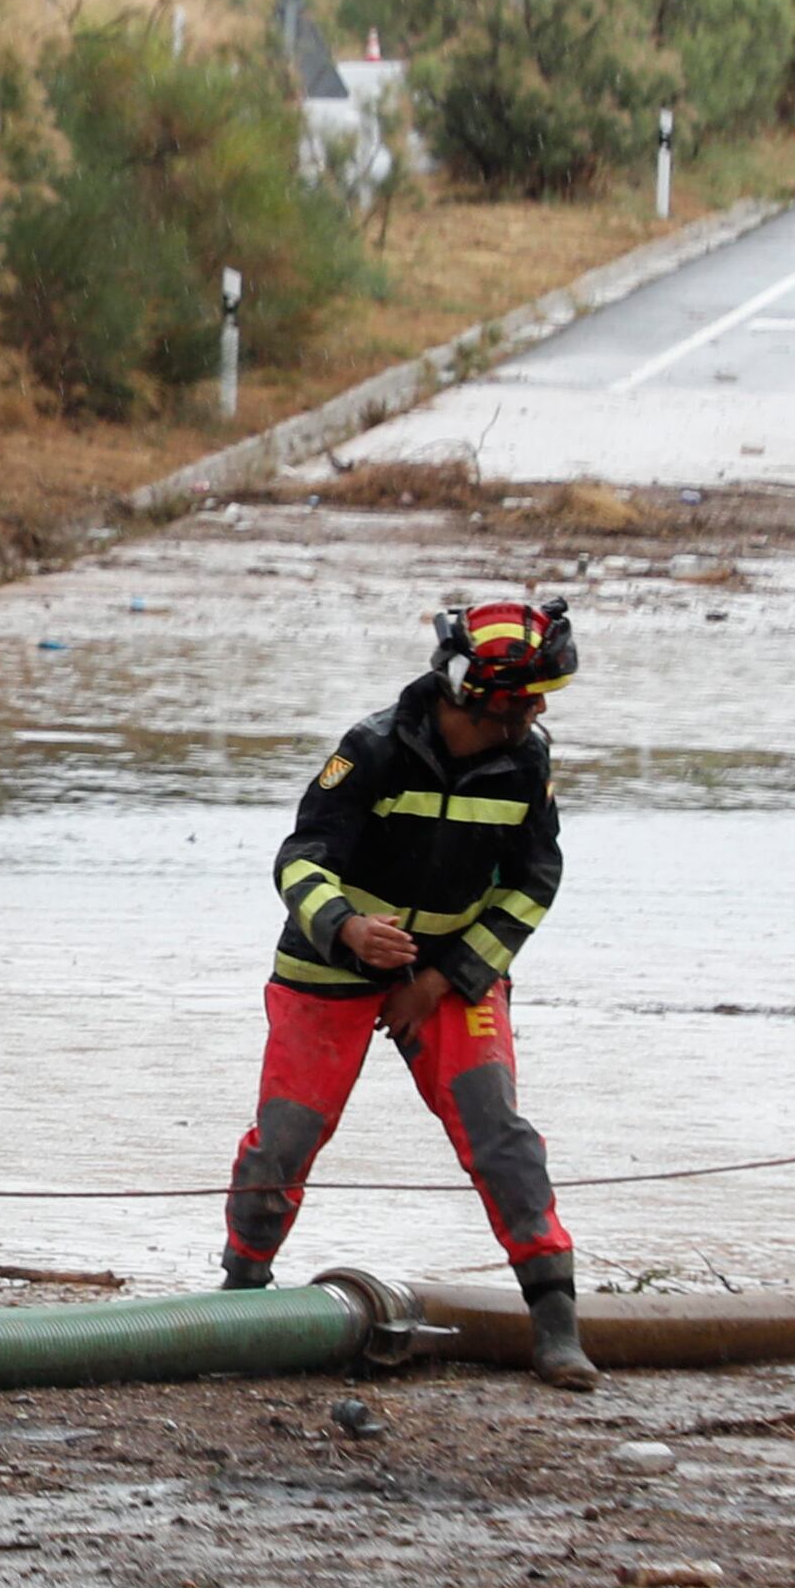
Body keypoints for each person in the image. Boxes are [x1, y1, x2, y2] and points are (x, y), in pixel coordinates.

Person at [223, 594, 590, 1387]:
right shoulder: (373, 748)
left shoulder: (528, 762)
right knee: (285, 1136)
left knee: (500, 1135)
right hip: (329, 968)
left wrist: (442, 979)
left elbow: (534, 884)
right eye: (520, 698)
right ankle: (240, 1291)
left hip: (452, 970)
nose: (531, 711)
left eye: (538, 698)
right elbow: (298, 860)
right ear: (469, 692)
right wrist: (350, 928)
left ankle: (556, 1323)